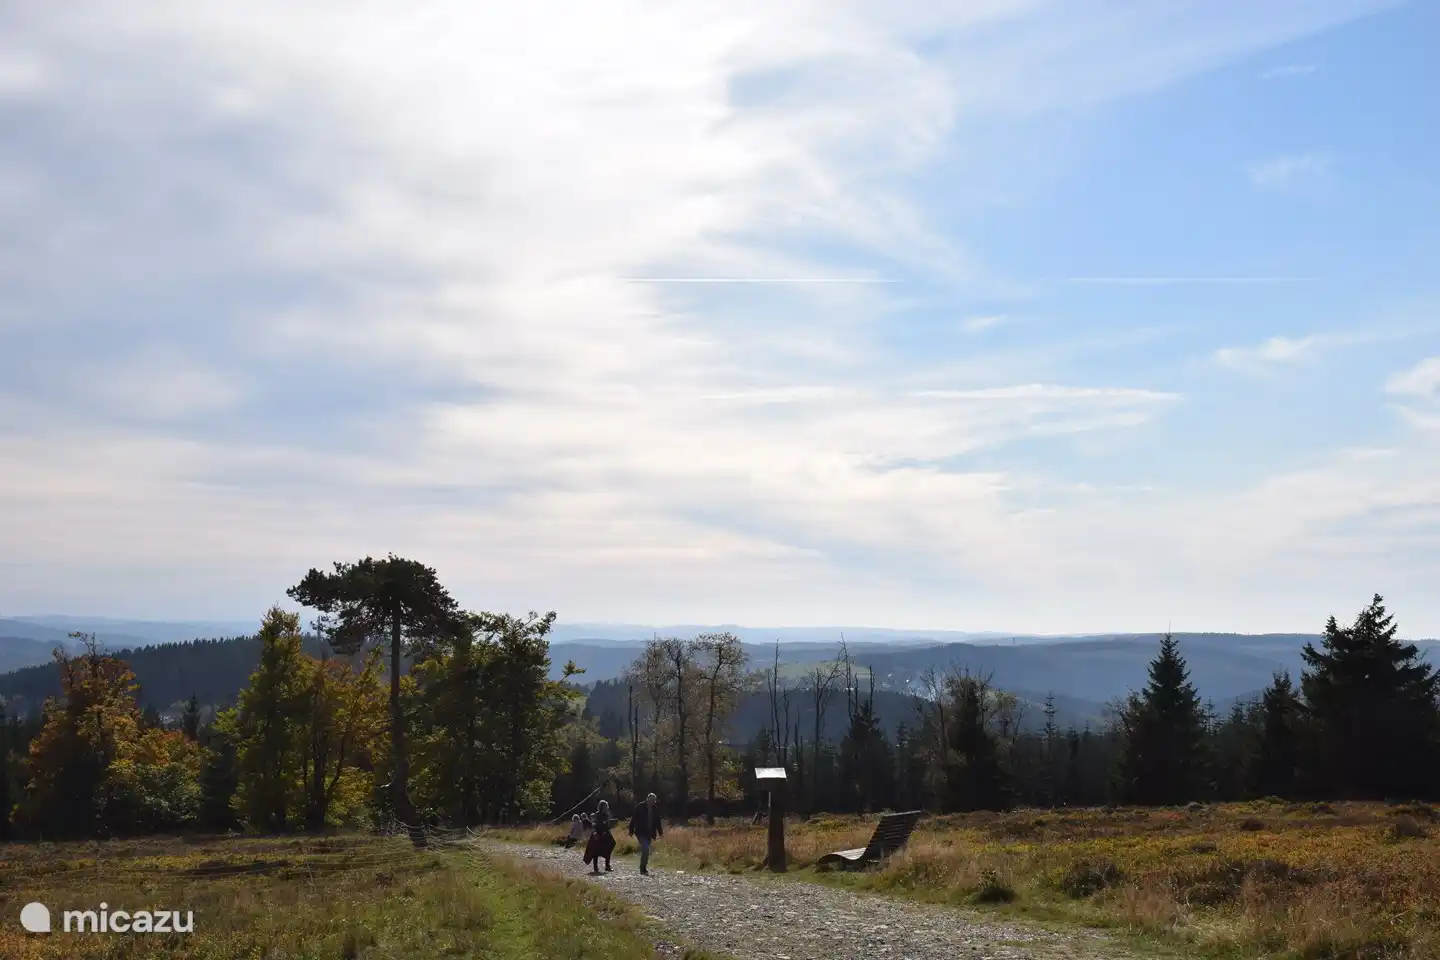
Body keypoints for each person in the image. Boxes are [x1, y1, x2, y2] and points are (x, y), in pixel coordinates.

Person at [627, 792, 663, 875]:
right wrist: (631, 830)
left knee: (646, 850)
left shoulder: (655, 809)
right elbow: (634, 819)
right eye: (651, 800)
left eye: (654, 800)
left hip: (650, 833)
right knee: (646, 849)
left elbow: (658, 821)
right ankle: (643, 868)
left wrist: (660, 832)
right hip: (640, 832)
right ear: (647, 799)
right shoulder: (640, 807)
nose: (652, 802)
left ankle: (643, 866)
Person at [583, 800, 616, 874]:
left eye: (606, 806)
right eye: (605, 806)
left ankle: (607, 865)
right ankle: (596, 867)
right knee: (595, 850)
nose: (606, 808)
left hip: (606, 833)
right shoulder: (597, 815)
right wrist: (596, 833)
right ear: (601, 807)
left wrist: (609, 826)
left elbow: (607, 824)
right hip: (598, 833)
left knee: (611, 844)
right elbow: (594, 825)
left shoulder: (606, 815)